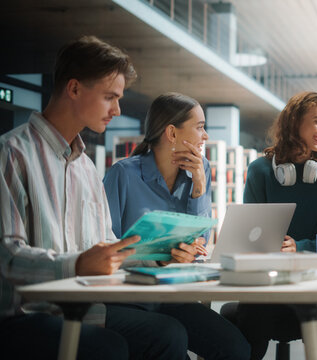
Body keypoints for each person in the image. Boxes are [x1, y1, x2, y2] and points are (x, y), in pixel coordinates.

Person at [0, 36, 185, 360]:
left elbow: (106, 244)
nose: (117, 109)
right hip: (23, 316)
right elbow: (7, 256)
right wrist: (78, 264)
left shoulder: (86, 168)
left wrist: (159, 255)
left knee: (169, 335)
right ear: (73, 89)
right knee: (110, 348)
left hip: (84, 309)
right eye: (109, 97)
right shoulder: (11, 154)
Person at [103, 92, 250, 360]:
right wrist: (158, 260)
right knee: (173, 339)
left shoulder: (200, 169)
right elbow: (102, 247)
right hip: (129, 298)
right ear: (172, 133)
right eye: (200, 127)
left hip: (173, 296)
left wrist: (200, 187)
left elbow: (201, 241)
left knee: (236, 348)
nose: (205, 136)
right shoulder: (122, 175)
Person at [233, 91, 317, 359]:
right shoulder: (260, 170)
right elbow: (251, 232)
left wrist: (299, 247)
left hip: (315, 280)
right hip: (267, 280)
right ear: (295, 121)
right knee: (254, 316)